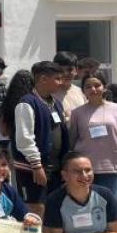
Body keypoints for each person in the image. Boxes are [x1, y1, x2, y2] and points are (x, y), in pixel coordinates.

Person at [11, 61, 69, 218]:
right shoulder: (26, 103)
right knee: (35, 212)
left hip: (54, 169)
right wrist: (36, 166)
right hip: (33, 170)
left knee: (52, 212)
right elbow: (24, 139)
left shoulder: (56, 103)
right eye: (57, 78)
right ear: (43, 79)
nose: (61, 82)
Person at [69, 72, 117, 202]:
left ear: (105, 87)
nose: (93, 89)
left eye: (97, 85)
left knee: (111, 209)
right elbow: (72, 141)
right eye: (88, 86)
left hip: (112, 168)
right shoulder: (77, 113)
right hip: (85, 169)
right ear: (83, 90)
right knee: (87, 206)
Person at [0, 69, 35, 153]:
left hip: (14, 146)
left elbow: (4, 132)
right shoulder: (35, 101)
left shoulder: (7, 102)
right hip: (34, 146)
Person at [53, 52, 87, 118]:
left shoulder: (80, 91)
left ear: (76, 70)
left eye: (69, 69)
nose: (65, 73)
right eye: (61, 70)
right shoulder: (50, 92)